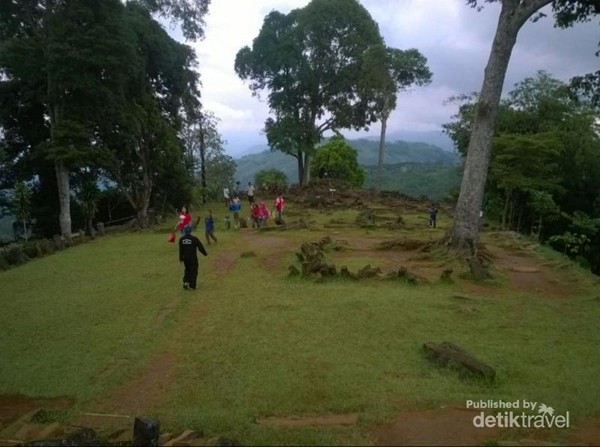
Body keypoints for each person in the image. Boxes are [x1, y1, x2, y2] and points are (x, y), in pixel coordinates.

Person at [178, 224, 207, 290]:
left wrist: (180, 258)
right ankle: (192, 285)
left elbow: (181, 249)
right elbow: (200, 247)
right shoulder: (194, 239)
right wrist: (205, 253)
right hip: (192, 258)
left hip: (185, 258)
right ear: (191, 231)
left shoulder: (181, 239)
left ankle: (185, 282)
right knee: (193, 271)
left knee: (187, 270)